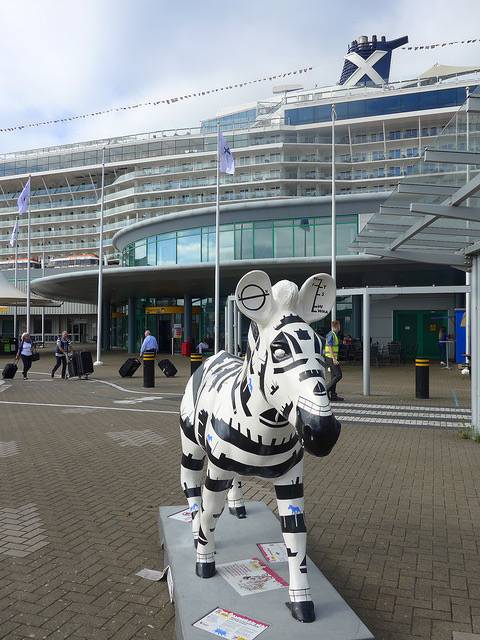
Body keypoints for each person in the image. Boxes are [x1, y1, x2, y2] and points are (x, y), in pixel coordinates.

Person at [325, 320, 343, 402]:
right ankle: (326, 390)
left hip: (332, 358)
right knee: (338, 375)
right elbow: (329, 347)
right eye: (339, 325)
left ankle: (333, 396)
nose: (340, 326)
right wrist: (334, 359)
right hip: (330, 358)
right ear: (337, 326)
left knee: (334, 376)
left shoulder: (334, 335)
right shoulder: (331, 335)